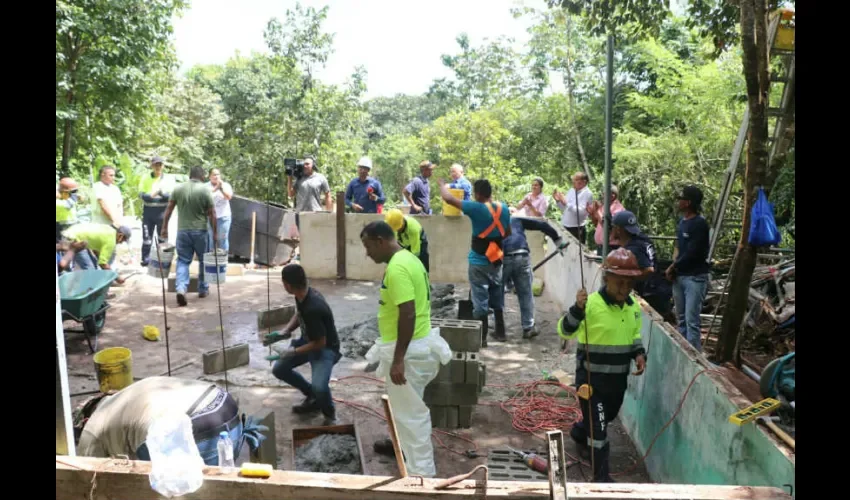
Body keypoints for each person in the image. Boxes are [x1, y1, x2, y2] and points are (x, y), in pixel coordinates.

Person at [360, 221, 450, 478]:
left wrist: (398, 359)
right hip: (416, 347)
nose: (367, 253)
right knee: (407, 411)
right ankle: (405, 452)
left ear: (380, 240)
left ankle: (421, 477)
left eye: (368, 246)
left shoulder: (398, 268)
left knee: (411, 417)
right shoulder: (410, 259)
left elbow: (408, 313)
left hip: (408, 354)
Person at [557, 248, 647, 482]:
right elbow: (565, 330)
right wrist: (577, 309)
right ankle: (601, 478)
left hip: (617, 381)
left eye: (629, 283)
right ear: (607, 278)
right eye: (620, 283)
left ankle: (579, 432)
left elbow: (634, 334)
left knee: (604, 418)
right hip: (591, 381)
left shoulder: (633, 306)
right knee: (599, 431)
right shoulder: (590, 304)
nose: (625, 288)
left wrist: (639, 354)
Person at [75, 376, 250, 466]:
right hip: (227, 409)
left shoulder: (92, 429)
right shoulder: (130, 393)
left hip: (193, 431)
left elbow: (89, 479)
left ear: (85, 419)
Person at [263, 264, 342, 425]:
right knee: (279, 369)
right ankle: (312, 396)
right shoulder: (303, 294)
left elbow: (320, 343)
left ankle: (329, 414)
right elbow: (299, 314)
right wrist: (285, 331)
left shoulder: (314, 306)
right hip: (309, 341)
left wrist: (293, 351)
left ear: (288, 285)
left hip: (326, 348)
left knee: (320, 386)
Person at [440, 178, 511, 346]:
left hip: (478, 261)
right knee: (497, 293)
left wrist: (442, 186)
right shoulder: (504, 209)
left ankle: (482, 338)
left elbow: (449, 199)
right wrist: (493, 240)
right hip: (496, 259)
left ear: (478, 194)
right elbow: (507, 232)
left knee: (480, 299)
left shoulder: (476, 208)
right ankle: (501, 332)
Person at [503, 214, 567, 338]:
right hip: (522, 255)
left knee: (497, 292)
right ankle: (528, 327)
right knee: (526, 293)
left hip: (503, 257)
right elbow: (542, 225)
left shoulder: (492, 222)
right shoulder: (515, 219)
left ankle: (498, 328)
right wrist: (557, 240)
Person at [162, 166, 216, 307]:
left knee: (183, 261)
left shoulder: (178, 188)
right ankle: (203, 289)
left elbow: (169, 209)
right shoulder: (205, 190)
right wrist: (215, 233)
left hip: (183, 232)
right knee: (204, 261)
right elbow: (212, 213)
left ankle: (181, 288)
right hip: (200, 231)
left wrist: (164, 228)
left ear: (189, 175)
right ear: (202, 176)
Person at [665, 185, 711, 352]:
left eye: (681, 199)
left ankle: (694, 356)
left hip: (695, 277)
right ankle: (683, 351)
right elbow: (679, 246)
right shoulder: (683, 222)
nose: (679, 202)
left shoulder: (699, 224)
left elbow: (693, 252)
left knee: (692, 320)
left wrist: (673, 266)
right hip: (680, 276)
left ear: (689, 202)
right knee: (681, 318)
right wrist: (674, 266)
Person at [611, 211, 673, 318]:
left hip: (651, 294)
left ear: (618, 229)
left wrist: (628, 280)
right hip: (657, 289)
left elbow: (649, 269)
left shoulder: (633, 249)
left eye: (613, 227)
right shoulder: (642, 239)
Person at [59, 222, 130, 284]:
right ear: (120, 235)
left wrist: (101, 261)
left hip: (73, 233)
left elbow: (96, 251)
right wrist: (117, 277)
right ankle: (91, 296)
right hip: (74, 239)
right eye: (122, 240)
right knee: (90, 269)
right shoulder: (111, 241)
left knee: (93, 268)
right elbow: (102, 264)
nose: (121, 243)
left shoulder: (110, 230)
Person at [138, 156, 175, 266]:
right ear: (152, 166)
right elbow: (142, 195)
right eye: (155, 165)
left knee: (162, 237)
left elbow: (170, 196)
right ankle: (146, 259)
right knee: (146, 237)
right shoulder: (145, 178)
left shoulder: (169, 179)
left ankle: (163, 259)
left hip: (162, 212)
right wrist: (154, 194)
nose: (158, 167)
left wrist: (160, 194)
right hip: (148, 212)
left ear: (163, 166)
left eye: (160, 164)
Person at [384, 208, 429, 272]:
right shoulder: (391, 223)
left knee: (421, 264)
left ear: (402, 223)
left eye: (397, 229)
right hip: (403, 243)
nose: (396, 230)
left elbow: (415, 252)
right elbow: (392, 244)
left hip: (418, 243)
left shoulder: (413, 228)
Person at [553, 172, 593, 243]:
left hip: (577, 228)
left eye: (576, 180)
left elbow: (582, 212)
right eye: (573, 179)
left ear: (584, 182)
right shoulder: (571, 190)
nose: (573, 182)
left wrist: (566, 203)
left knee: (577, 252)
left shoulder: (588, 193)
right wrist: (558, 201)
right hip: (565, 226)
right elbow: (564, 209)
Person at [588, 184, 625, 255]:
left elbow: (608, 227)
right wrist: (592, 214)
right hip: (601, 246)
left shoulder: (618, 208)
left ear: (612, 195)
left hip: (611, 247)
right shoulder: (604, 206)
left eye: (605, 193)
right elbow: (597, 224)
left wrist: (597, 211)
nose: (603, 196)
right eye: (603, 193)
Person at [207, 168, 234, 254]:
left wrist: (221, 188)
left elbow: (229, 197)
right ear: (209, 176)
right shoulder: (205, 186)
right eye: (214, 175)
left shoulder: (226, 185)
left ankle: (223, 261)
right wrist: (215, 189)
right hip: (210, 217)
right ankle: (211, 262)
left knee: (222, 238)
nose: (216, 176)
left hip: (224, 217)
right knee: (211, 239)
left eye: (218, 174)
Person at [56, 177, 80, 243]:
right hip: (63, 229)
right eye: (72, 192)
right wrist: (75, 194)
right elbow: (70, 203)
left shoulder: (64, 199)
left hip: (72, 227)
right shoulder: (59, 203)